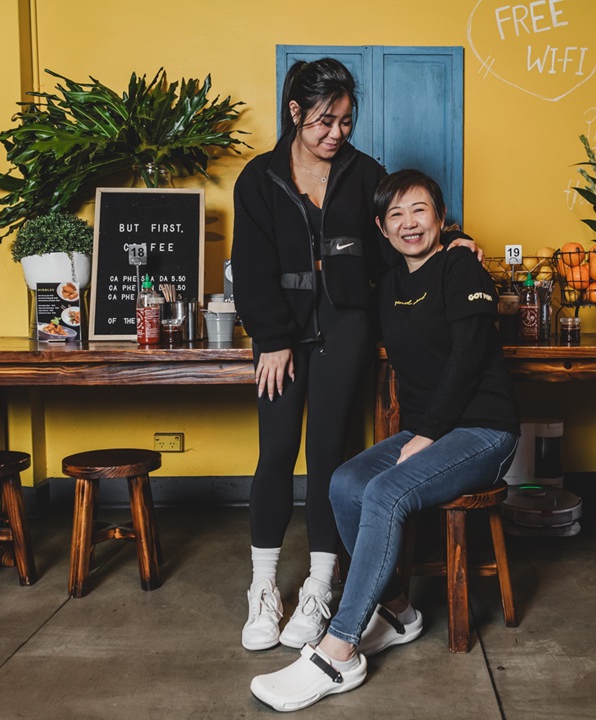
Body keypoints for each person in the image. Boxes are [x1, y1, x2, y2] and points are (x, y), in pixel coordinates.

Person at [249, 169, 520, 712]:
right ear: (381, 227)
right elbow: (328, 289)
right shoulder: (389, 287)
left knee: (382, 494)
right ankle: (398, 610)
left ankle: (340, 649)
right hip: (429, 433)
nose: (409, 223)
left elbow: (467, 359)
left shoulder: (461, 265)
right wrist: (273, 335)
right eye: (395, 215)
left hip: (483, 431)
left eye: (419, 210)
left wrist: (427, 432)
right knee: (346, 482)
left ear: (440, 218)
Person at [232, 61, 478, 653]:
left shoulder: (366, 173)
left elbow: (399, 234)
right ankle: (263, 588)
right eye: (324, 121)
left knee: (328, 457)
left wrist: (451, 244)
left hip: (346, 328)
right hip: (282, 336)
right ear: (295, 112)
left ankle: (319, 587)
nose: (336, 132)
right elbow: (251, 265)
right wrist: (271, 338)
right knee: (276, 452)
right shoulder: (259, 178)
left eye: (345, 120)